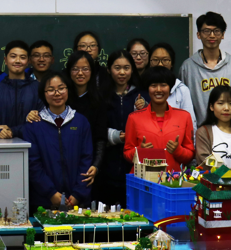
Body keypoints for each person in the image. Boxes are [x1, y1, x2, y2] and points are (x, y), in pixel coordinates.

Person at [21, 73, 93, 211]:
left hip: (77, 201)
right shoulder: (33, 125)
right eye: (51, 90)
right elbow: (33, 164)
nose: (57, 93)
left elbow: (86, 159)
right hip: (44, 201)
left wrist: (77, 194)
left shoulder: (80, 121)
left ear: (68, 90)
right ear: (43, 94)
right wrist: (51, 193)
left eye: (61, 88)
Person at [96, 49, 148, 207]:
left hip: (134, 169)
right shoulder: (100, 95)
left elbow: (151, 126)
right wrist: (116, 136)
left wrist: (145, 107)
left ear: (132, 69)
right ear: (108, 70)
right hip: (105, 168)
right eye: (117, 68)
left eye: (126, 68)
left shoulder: (142, 95)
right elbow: (94, 129)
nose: (122, 72)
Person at [123, 66, 195, 172]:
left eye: (163, 85)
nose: (158, 90)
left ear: (170, 88)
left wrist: (178, 150)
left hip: (173, 180)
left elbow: (190, 155)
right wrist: (139, 151)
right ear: (148, 88)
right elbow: (127, 154)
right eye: (153, 85)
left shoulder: (184, 117)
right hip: (144, 179)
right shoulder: (134, 118)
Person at [178, 11, 231, 126]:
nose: (212, 35)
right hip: (200, 131)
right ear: (198, 34)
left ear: (223, 34)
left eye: (216, 31)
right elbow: (182, 103)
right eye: (207, 31)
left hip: (230, 130)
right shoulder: (188, 67)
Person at [64, 50, 107, 190]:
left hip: (88, 165)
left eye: (85, 69)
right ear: (69, 71)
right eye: (75, 69)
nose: (80, 73)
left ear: (92, 72)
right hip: (63, 161)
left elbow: (100, 138)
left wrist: (96, 165)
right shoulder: (61, 99)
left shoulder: (98, 101)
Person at [0, 40, 41, 139]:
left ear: (28, 61)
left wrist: (12, 131)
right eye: (13, 56)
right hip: (3, 145)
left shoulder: (38, 88)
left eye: (22, 57)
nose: (18, 61)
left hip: (32, 144)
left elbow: (42, 121)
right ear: (5, 60)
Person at [194, 85, 231, 177]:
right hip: (212, 185)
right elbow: (207, 166)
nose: (226, 108)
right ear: (211, 106)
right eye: (221, 103)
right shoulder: (204, 132)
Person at [149, 42, 197, 131]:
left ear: (172, 63)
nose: (160, 64)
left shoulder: (182, 90)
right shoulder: (144, 87)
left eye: (165, 60)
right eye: (155, 60)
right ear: (149, 63)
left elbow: (190, 124)